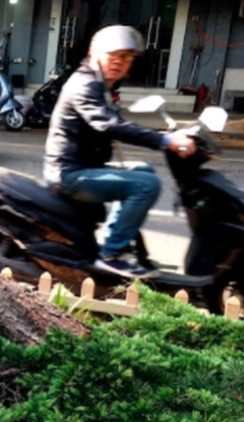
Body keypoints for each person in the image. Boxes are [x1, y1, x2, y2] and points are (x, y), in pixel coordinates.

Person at [43, 25, 197, 279]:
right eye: (112, 54)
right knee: (146, 185)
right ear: (94, 53)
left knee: (142, 170)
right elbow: (108, 124)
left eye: (126, 57)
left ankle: (116, 239)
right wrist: (165, 140)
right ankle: (111, 255)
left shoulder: (101, 84)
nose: (118, 61)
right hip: (68, 175)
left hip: (82, 167)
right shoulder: (85, 84)